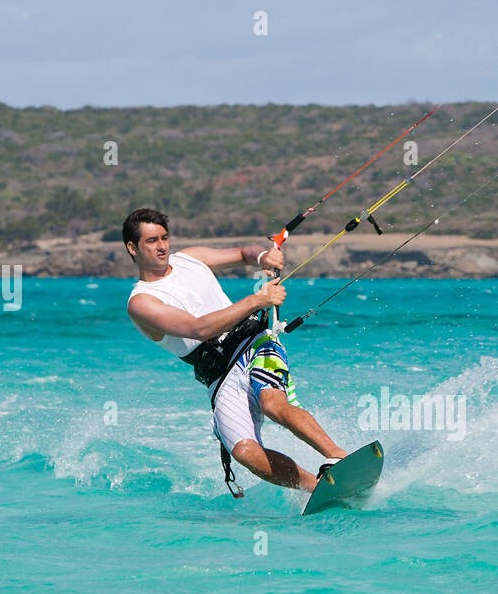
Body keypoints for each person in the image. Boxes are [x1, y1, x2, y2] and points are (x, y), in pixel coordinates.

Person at [122, 207, 347, 495]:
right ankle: (316, 488)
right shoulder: (141, 302)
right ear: (133, 247)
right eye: (151, 241)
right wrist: (257, 300)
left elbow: (243, 253)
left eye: (164, 238)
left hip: (252, 343)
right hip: (218, 375)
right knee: (244, 451)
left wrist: (262, 257)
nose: (162, 246)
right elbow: (198, 329)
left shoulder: (190, 258)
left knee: (272, 403)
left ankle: (337, 455)